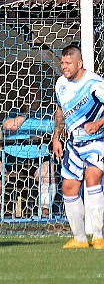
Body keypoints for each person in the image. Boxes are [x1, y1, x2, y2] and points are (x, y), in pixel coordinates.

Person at [52, 44, 104, 249]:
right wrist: (56, 137)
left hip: (98, 140)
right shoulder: (60, 84)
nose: (64, 67)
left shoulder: (94, 82)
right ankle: (80, 239)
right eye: (62, 63)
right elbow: (60, 110)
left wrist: (98, 123)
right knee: (69, 187)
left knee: (93, 178)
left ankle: (99, 236)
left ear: (79, 63)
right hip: (74, 142)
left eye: (68, 63)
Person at [0, 90, 55, 219]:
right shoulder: (14, 112)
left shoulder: (46, 114)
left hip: (38, 155)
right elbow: (7, 126)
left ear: (40, 98)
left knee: (48, 171)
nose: (32, 98)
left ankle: (45, 211)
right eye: (29, 95)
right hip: (11, 154)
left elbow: (51, 129)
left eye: (35, 95)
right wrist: (27, 114)